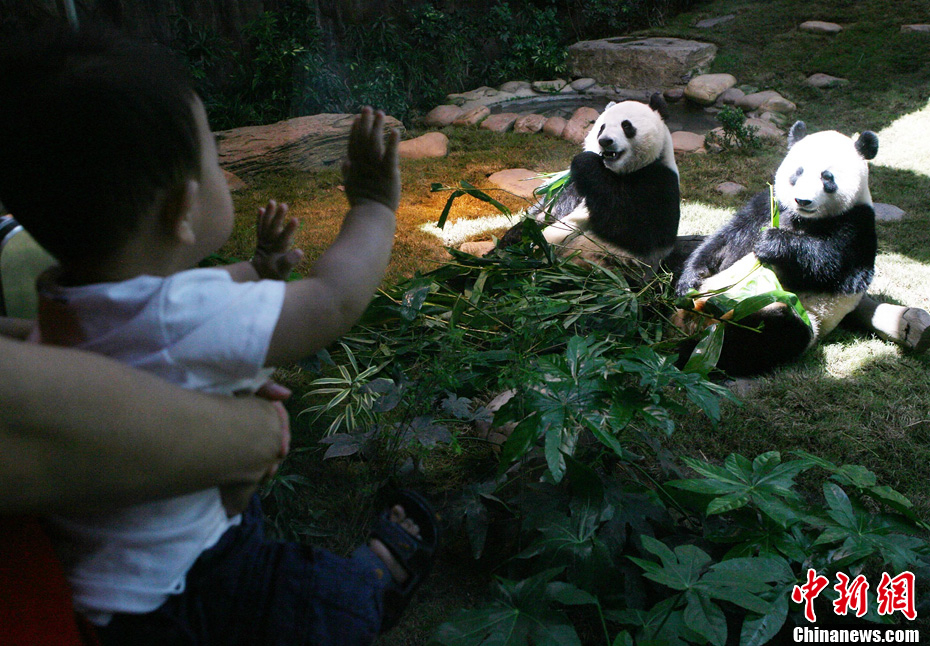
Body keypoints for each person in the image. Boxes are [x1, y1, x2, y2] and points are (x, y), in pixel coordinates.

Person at [0, 25, 437, 645]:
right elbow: (332, 300)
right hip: (186, 589)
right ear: (182, 211)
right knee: (318, 600)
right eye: (213, 152)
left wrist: (254, 269)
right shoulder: (186, 316)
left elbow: (151, 308)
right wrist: (372, 204)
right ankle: (374, 579)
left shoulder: (57, 304)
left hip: (100, 592)